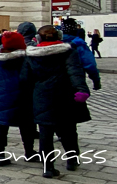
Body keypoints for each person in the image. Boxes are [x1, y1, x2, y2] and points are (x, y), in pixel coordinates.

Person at [21, 25, 91, 178]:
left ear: (37, 39)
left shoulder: (31, 55)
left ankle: (48, 167)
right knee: (68, 131)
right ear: (59, 36)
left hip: (42, 97)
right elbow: (75, 72)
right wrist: (81, 90)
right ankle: (72, 160)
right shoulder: (68, 52)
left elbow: (25, 79)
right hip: (65, 96)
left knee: (45, 134)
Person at [0, 31, 37, 166]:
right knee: (27, 125)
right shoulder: (25, 59)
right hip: (23, 95)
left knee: (0, 125)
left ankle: (0, 154)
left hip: (0, 94)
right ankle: (29, 152)